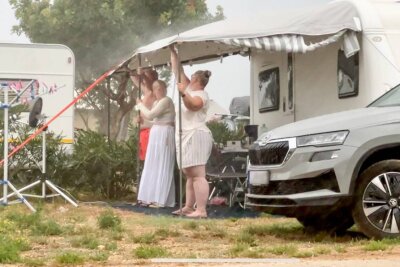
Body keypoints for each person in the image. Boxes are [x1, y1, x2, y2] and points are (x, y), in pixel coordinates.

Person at [170, 46, 213, 218]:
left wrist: (182, 94)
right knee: (189, 174)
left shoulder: (201, 94)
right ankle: (189, 207)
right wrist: (173, 51)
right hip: (185, 135)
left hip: (196, 134)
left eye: (192, 76)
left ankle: (201, 210)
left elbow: (193, 105)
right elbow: (177, 70)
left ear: (196, 79)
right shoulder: (188, 88)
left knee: (197, 174)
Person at [136, 80, 176, 207]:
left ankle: (161, 198)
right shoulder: (156, 102)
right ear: (153, 90)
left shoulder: (166, 100)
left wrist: (140, 105)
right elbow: (154, 121)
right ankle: (149, 196)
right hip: (156, 133)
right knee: (153, 163)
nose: (159, 90)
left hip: (165, 133)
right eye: (156, 88)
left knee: (162, 163)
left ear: (165, 88)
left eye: (161, 87)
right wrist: (142, 121)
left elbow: (151, 114)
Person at [130, 69, 157, 161]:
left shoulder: (152, 91)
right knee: (144, 160)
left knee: (149, 160)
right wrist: (130, 70)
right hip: (143, 131)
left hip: (148, 131)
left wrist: (142, 74)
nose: (143, 80)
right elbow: (135, 79)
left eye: (146, 76)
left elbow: (148, 84)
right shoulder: (146, 91)